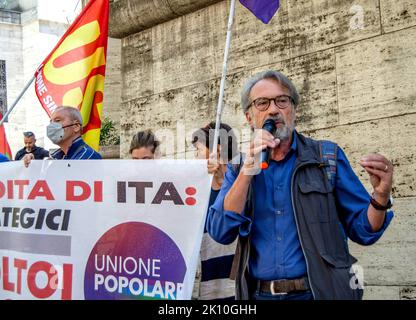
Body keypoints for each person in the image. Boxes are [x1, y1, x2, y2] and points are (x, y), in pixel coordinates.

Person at [206, 70, 394, 300]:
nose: (273, 109)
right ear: (249, 116)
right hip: (260, 295)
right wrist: (247, 172)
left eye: (282, 101)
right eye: (262, 103)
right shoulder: (237, 168)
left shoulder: (326, 157)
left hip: (319, 293)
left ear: (294, 110)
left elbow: (364, 230)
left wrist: (381, 196)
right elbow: (220, 231)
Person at [192, 122, 240, 300]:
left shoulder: (245, 187)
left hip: (239, 291)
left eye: (198, 150)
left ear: (217, 151)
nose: (196, 157)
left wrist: (222, 178)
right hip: (205, 292)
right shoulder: (195, 194)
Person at [23, 106, 101, 166]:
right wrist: (33, 164)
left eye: (57, 121)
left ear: (76, 126)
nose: (52, 126)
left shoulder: (88, 157)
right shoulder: (56, 157)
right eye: (51, 122)